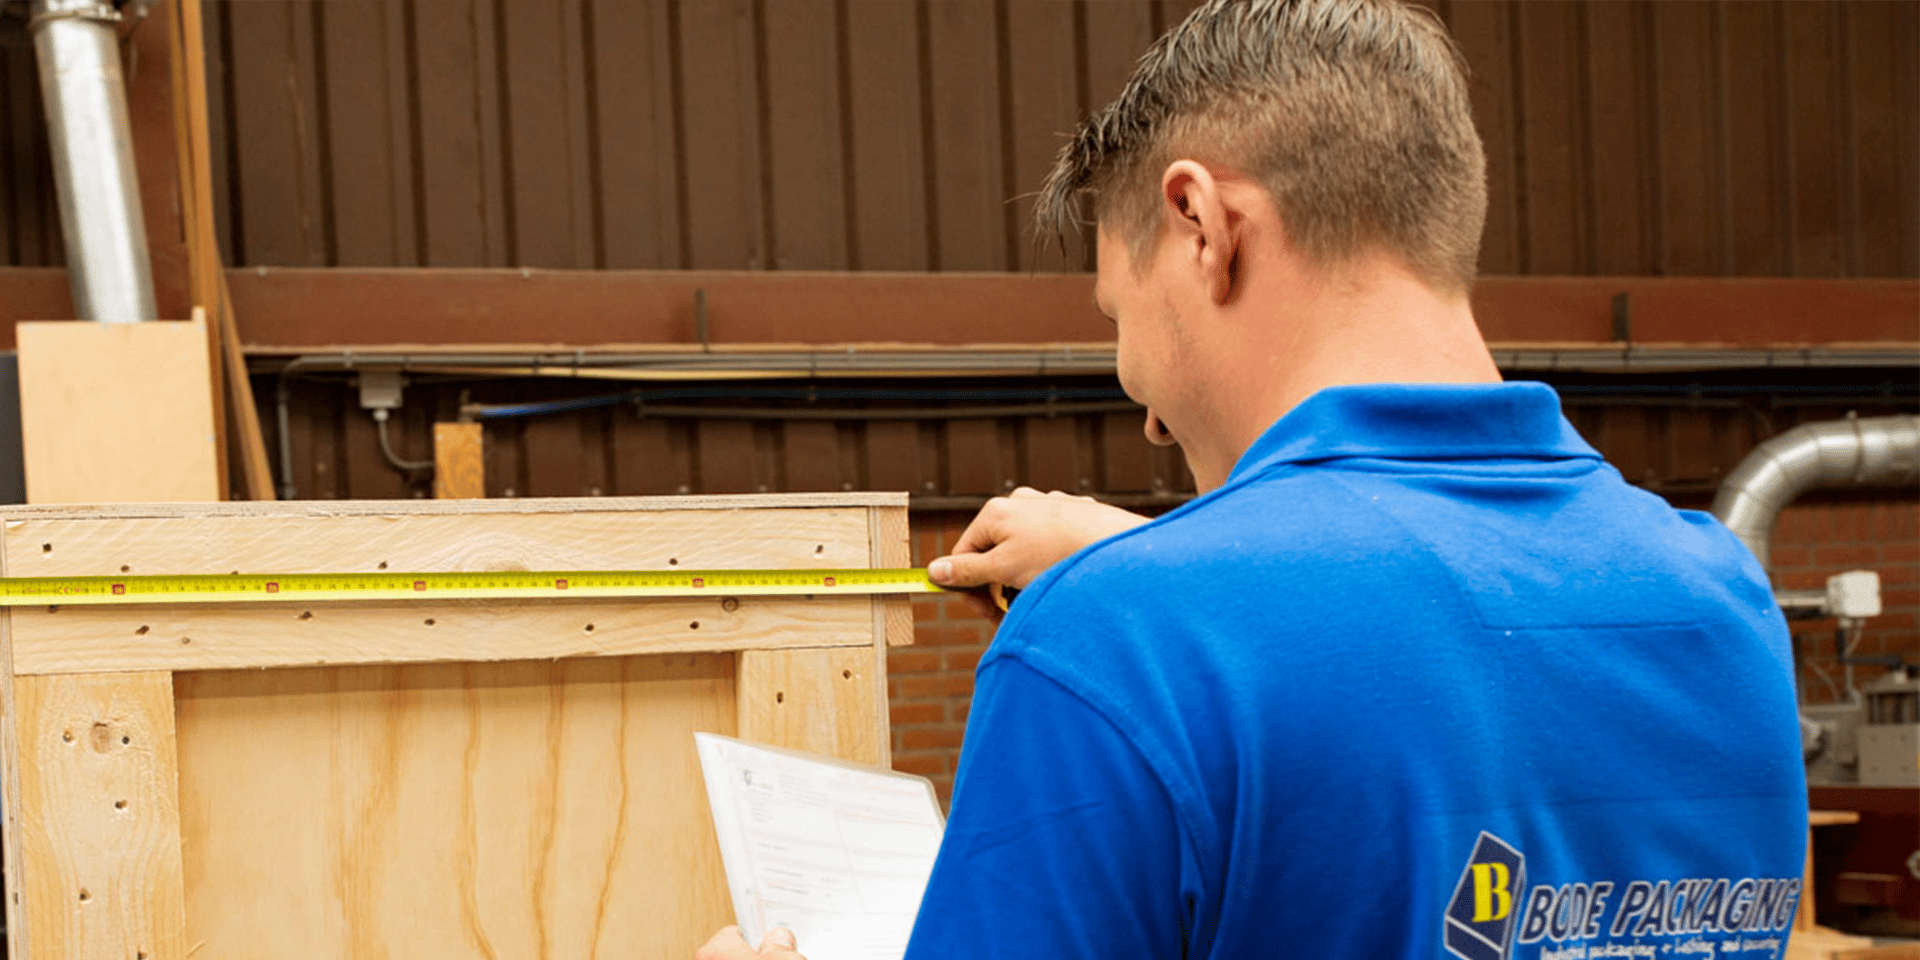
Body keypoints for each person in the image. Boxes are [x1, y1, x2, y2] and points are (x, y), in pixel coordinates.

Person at [699, 0, 1805, 957]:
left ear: (1202, 224)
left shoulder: (1117, 642)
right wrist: (1164, 577)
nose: (1142, 411)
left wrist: (1145, 606)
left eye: (1122, 321)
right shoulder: (1724, 607)